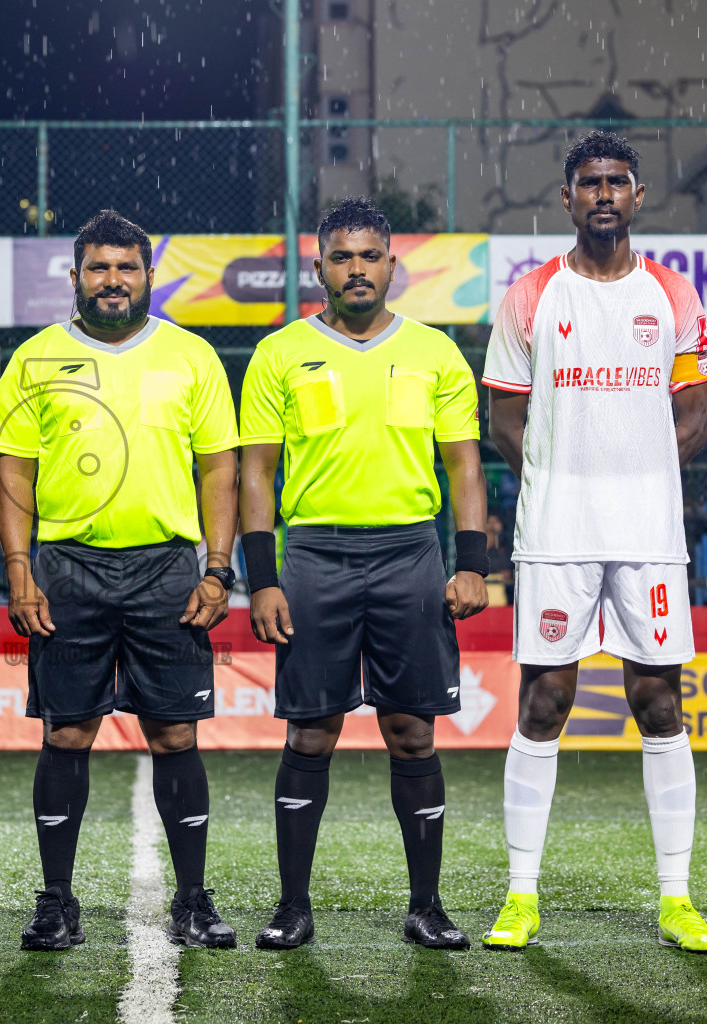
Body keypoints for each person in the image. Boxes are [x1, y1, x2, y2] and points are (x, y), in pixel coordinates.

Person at [481, 131, 707, 954]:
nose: (605, 195)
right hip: (556, 533)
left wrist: (635, 473)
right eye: (590, 183)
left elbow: (694, 414)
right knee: (545, 701)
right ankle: (520, 896)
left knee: (659, 701)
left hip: (648, 534)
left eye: (618, 181)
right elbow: (503, 417)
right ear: (568, 199)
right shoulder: (529, 298)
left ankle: (677, 899)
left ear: (638, 195)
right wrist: (561, 476)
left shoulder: (673, 295)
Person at [237, 196, 487, 952]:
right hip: (313, 555)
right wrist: (263, 576)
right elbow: (257, 472)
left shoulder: (436, 353)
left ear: (391, 264)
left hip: (411, 553)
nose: (356, 269)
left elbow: (464, 464)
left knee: (413, 732)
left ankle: (427, 906)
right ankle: (292, 906)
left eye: (369, 255)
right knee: (310, 732)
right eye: (341, 257)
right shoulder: (280, 353)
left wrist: (472, 562)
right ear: (319, 268)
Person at [0, 209, 241, 952]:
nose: (112, 281)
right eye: (98, 269)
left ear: (148, 275)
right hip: (68, 569)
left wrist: (218, 569)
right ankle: (56, 902)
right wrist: (18, 570)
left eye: (125, 267)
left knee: (174, 734)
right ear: (74, 278)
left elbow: (219, 468)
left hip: (167, 568)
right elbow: (14, 472)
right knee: (67, 731)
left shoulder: (192, 357)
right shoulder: (35, 360)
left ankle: (193, 900)